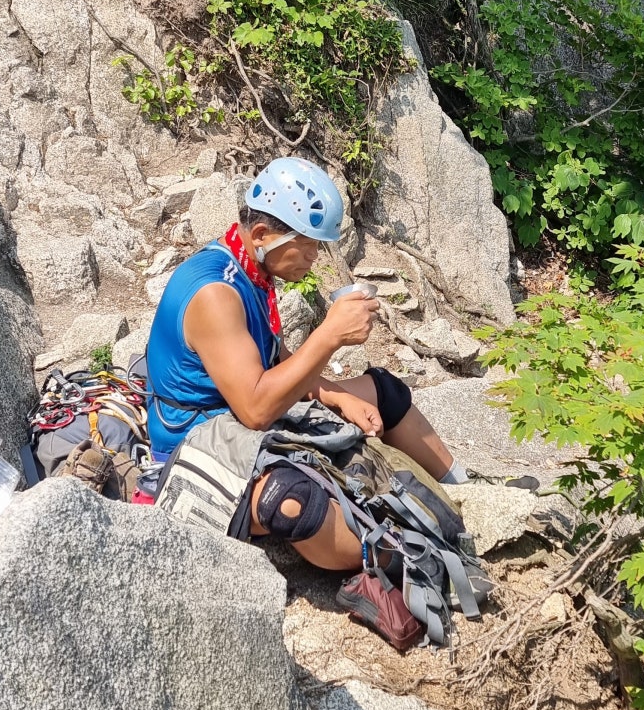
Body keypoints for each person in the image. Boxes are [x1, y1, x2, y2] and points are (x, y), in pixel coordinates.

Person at [145, 156, 470, 573]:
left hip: (239, 413)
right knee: (291, 501)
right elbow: (257, 410)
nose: (315, 257)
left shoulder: (247, 268)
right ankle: (402, 554)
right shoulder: (216, 294)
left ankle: (462, 488)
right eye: (308, 244)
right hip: (197, 440)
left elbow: (273, 360)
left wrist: (337, 397)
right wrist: (329, 336)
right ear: (262, 234)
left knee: (382, 391)